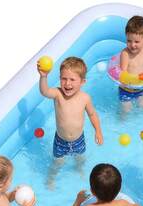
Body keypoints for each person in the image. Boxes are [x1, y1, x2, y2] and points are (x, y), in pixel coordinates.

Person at [37, 56, 103, 188]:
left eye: (72, 79)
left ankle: (79, 170)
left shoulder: (85, 98)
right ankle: (51, 178)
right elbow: (44, 92)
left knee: (80, 159)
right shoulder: (58, 94)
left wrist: (98, 131)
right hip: (61, 141)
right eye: (64, 79)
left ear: (82, 82)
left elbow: (92, 114)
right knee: (57, 162)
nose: (67, 84)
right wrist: (43, 76)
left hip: (79, 139)